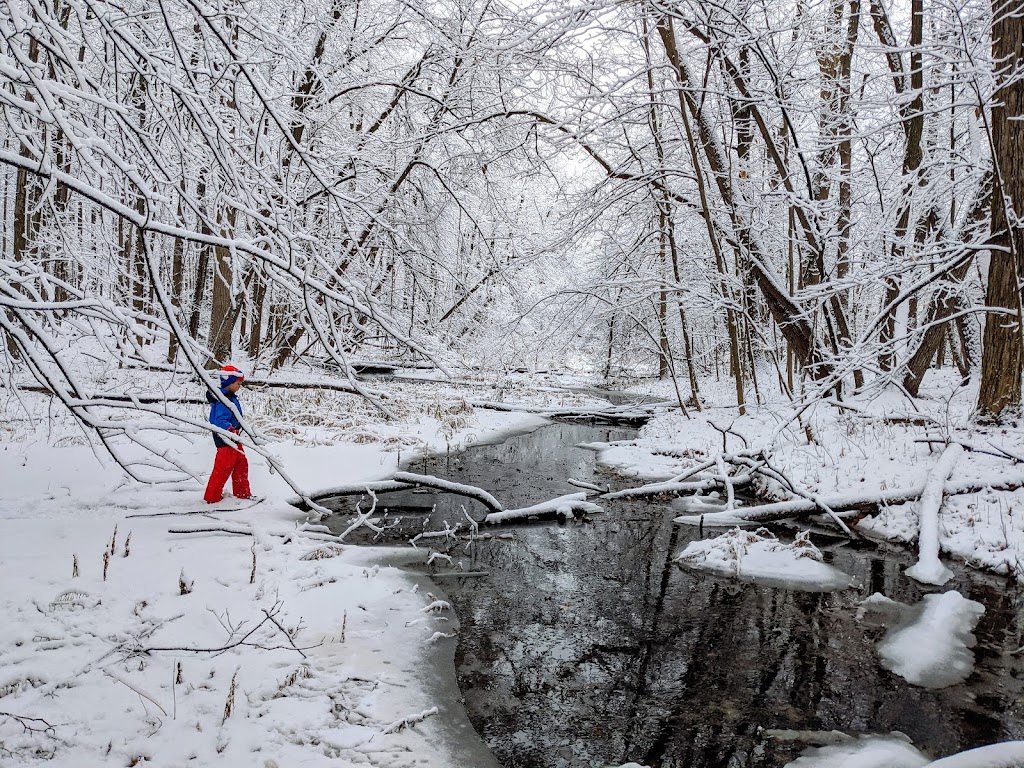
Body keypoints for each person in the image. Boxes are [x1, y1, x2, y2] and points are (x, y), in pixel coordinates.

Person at [203, 365, 254, 503]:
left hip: (234, 437)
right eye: (238, 383)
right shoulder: (222, 400)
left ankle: (242, 493)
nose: (240, 386)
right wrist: (229, 429)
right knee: (223, 468)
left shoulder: (230, 397)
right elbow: (219, 420)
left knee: (241, 464)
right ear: (229, 383)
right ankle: (212, 497)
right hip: (225, 438)